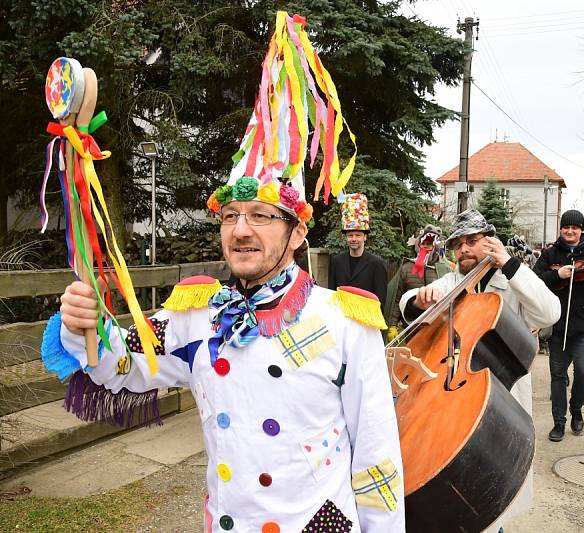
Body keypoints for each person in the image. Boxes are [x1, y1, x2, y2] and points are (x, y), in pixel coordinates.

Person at [41, 14, 404, 531]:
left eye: (260, 215)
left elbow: (377, 461)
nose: (240, 230)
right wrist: (85, 325)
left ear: (297, 233)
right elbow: (120, 365)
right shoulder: (197, 316)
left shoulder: (346, 324)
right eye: (231, 216)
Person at [399, 208, 561, 529]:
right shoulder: (453, 281)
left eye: (472, 241)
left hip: (502, 396)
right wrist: (420, 299)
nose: (464, 250)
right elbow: (410, 301)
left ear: (490, 241)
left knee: (491, 495)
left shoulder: (513, 279)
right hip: (453, 395)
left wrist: (510, 264)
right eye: (458, 244)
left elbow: (549, 312)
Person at [532, 209, 584, 442]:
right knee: (557, 376)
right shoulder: (550, 254)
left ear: (581, 230)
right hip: (557, 327)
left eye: (575, 228)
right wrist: (557, 275)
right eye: (566, 227)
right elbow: (535, 282)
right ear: (561, 229)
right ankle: (559, 422)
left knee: (583, 372)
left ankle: (576, 408)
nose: (570, 231)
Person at [386, 224, 451, 340]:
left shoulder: (445, 268)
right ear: (418, 244)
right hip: (412, 327)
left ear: (435, 246)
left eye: (429, 244)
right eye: (424, 243)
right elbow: (396, 297)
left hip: (438, 327)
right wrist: (392, 325)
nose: (425, 247)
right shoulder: (406, 268)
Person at [329, 193, 389, 308]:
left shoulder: (376, 264)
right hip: (342, 319)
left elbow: (380, 300)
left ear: (365, 237)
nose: (354, 239)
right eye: (350, 235)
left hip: (365, 321)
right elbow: (332, 293)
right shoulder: (337, 261)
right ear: (346, 237)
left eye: (358, 235)